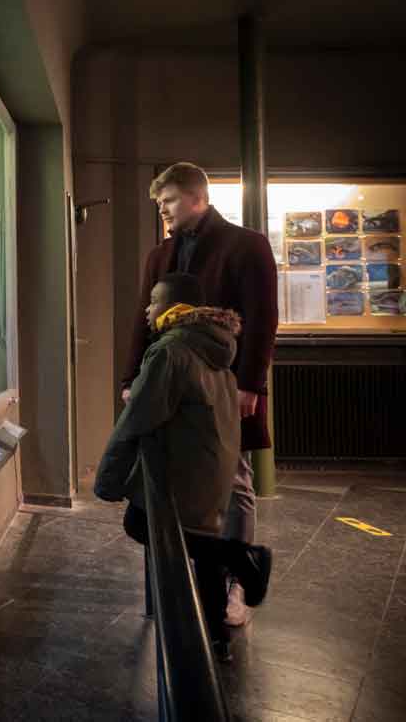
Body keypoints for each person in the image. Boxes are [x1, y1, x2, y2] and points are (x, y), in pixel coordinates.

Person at [122, 162, 278, 627]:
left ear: (196, 197)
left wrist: (251, 383)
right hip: (172, 384)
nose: (163, 211)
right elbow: (144, 319)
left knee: (234, 479)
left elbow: (262, 316)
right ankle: (215, 571)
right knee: (178, 479)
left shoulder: (247, 245)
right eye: (159, 203)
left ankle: (234, 584)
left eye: (168, 201)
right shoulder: (159, 255)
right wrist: (129, 379)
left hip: (227, 386)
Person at [98, 272, 272, 661]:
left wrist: (108, 478)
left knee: (141, 523)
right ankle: (215, 639)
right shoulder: (217, 348)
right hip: (214, 466)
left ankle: (242, 559)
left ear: (174, 306)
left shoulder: (171, 351)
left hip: (184, 469)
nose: (147, 308)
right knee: (205, 551)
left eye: (154, 300)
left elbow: (137, 418)